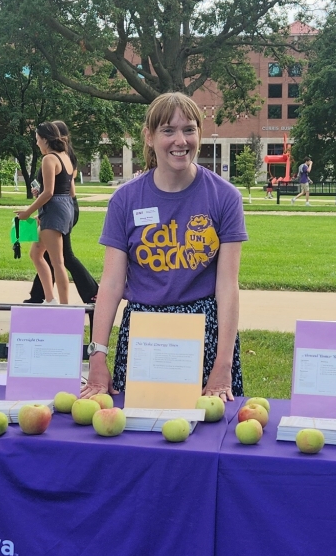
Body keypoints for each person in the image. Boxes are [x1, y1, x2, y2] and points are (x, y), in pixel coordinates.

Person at [84, 92, 247, 401]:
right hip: (143, 334)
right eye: (168, 130)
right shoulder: (125, 200)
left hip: (205, 335)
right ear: (149, 136)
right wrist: (97, 356)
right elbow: (112, 284)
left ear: (200, 133)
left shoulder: (225, 197)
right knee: (137, 425)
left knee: (207, 425)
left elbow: (227, 286)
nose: (180, 141)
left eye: (189, 129)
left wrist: (223, 364)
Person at [13, 120, 78, 304]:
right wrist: (42, 210)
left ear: (45, 139)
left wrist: (27, 212)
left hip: (54, 210)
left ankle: (64, 307)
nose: (36, 143)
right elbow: (67, 190)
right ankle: (50, 299)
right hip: (64, 208)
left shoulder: (49, 159)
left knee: (58, 262)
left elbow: (49, 192)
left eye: (37, 139)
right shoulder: (65, 156)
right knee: (36, 254)